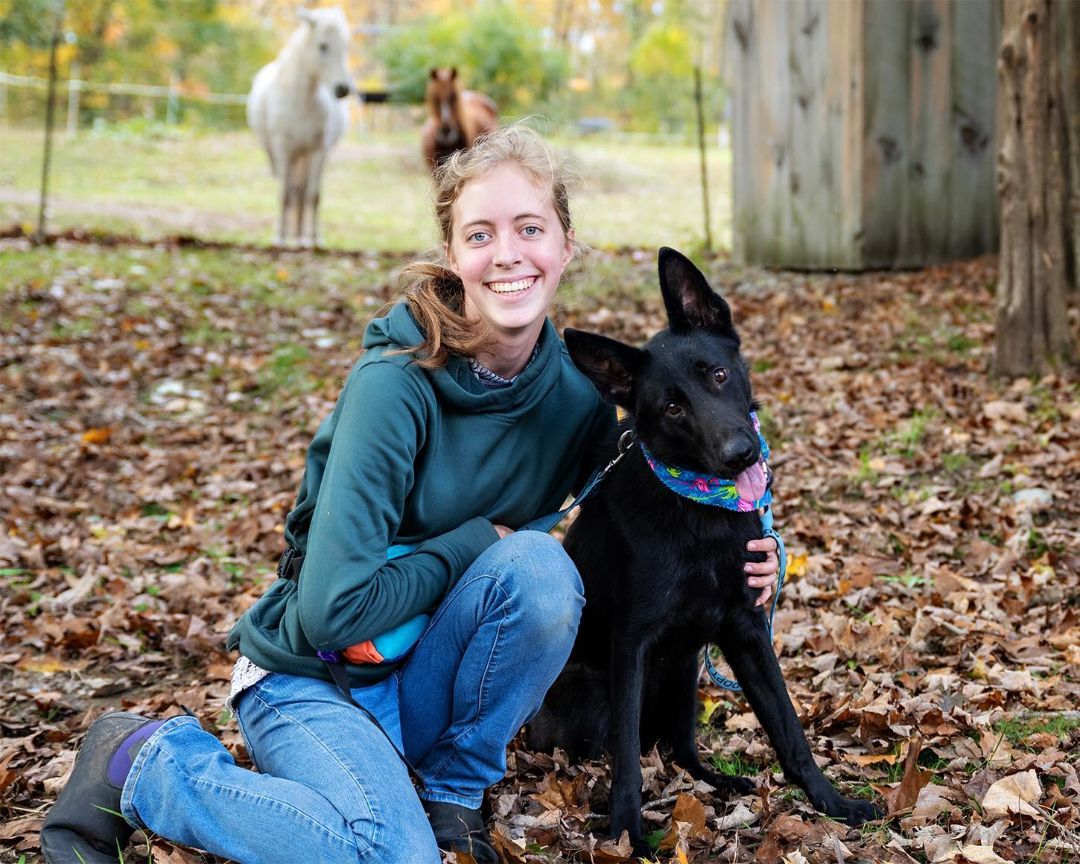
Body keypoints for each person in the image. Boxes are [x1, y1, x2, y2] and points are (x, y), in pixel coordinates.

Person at [39, 125, 780, 864]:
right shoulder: (394, 387)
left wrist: (759, 548)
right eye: (481, 233)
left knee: (541, 574)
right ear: (454, 255)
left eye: (530, 228)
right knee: (388, 854)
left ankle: (450, 792)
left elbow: (679, 492)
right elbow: (330, 610)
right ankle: (144, 762)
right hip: (315, 677)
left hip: (427, 677)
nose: (509, 254)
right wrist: (472, 543)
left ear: (566, 245)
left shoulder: (583, 402)